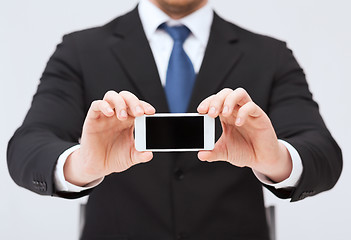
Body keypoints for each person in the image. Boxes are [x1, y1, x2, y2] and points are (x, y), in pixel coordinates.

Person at [7, 0, 342, 239]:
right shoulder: (79, 51)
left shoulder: (270, 55)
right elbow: (28, 145)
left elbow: (323, 153)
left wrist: (276, 159)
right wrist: (81, 166)